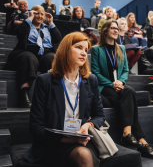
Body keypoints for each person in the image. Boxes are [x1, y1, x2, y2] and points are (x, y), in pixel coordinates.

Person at [24, 32, 105, 167]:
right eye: (79, 47)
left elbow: (99, 116)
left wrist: (87, 125)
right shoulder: (44, 81)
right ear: (65, 50)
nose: (84, 53)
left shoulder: (91, 80)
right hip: (54, 143)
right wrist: (67, 139)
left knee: (84, 153)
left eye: (86, 50)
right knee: (83, 155)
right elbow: (35, 127)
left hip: (82, 141)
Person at [91, 19, 153, 159]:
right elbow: (95, 73)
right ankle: (141, 142)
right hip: (104, 86)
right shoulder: (96, 50)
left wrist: (120, 82)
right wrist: (112, 84)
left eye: (117, 28)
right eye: (112, 28)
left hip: (119, 85)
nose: (116, 30)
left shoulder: (121, 48)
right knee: (128, 98)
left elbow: (125, 70)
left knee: (128, 92)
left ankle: (128, 133)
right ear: (105, 31)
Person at [4, 5, 62, 108]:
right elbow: (19, 32)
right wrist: (29, 18)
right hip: (26, 51)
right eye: (36, 13)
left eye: (41, 14)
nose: (39, 16)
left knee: (52, 58)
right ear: (32, 14)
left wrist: (51, 22)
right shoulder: (26, 25)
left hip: (45, 53)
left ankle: (52, 94)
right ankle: (24, 93)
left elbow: (58, 39)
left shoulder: (47, 27)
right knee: (29, 58)